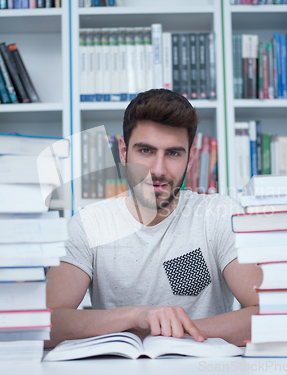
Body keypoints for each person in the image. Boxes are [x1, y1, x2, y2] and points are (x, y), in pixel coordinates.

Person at [45, 89, 262, 348]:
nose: (158, 170)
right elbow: (47, 323)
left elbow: (269, 311)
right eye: (146, 151)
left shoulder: (219, 216)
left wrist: (174, 332)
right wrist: (137, 316)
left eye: (173, 153)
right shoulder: (88, 225)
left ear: (190, 158)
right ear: (124, 153)